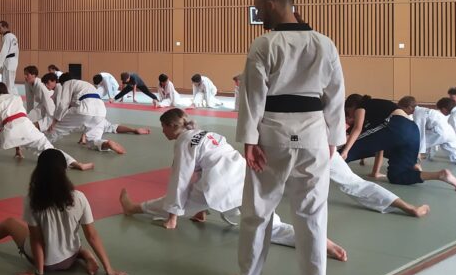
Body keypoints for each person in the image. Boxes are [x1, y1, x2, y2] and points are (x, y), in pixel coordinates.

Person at [119, 109, 348, 263]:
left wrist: (173, 218)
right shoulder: (206, 133)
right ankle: (320, 243)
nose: (164, 132)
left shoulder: (184, 141)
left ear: (171, 126)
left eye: (164, 128)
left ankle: (132, 208)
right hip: (242, 176)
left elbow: (180, 178)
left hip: (218, 183)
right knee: (271, 224)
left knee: (175, 199)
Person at [234, 0, 345, 275]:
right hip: (313, 135)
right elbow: (335, 97)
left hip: (272, 135)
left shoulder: (264, 44)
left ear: (271, 5)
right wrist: (333, 139)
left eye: (259, 9)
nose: (258, 15)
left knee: (257, 210)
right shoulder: (325, 44)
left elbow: (252, 98)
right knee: (312, 213)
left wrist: (249, 141)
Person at [0, 150, 127, 275]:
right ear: (65, 170)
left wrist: (39, 272)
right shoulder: (79, 197)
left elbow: (36, 240)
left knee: (10, 223)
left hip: (47, 263)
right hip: (69, 258)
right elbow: (92, 236)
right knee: (66, 237)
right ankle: (86, 255)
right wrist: (109, 268)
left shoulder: (33, 200)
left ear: (38, 171)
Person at [0, 83, 93, 169]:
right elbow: (18, 122)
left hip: (10, 133)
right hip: (28, 129)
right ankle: (75, 163)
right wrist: (18, 150)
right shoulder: (16, 97)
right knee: (50, 149)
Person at [342, 94, 456, 189]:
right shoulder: (377, 116)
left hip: (397, 126)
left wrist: (345, 151)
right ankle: (440, 175)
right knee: (397, 176)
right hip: (412, 132)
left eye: (348, 112)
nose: (349, 116)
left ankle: (330, 164)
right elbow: (378, 146)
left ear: (353, 106)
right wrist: (375, 172)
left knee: (347, 151)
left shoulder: (362, 105)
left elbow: (357, 130)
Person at [44, 74, 149, 154]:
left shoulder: (68, 83)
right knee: (93, 141)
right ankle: (106, 143)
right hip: (101, 112)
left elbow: (63, 104)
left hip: (85, 110)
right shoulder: (86, 85)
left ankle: (41, 143)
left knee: (56, 129)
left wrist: (55, 121)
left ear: (63, 82)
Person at [398, 96, 456, 167]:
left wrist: (419, 153)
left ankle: (412, 163)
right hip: (449, 133)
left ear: (409, 107)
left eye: (402, 109)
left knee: (413, 143)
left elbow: (419, 134)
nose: (403, 112)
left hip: (439, 133)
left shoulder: (418, 113)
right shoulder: (425, 110)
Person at [24, 66, 54, 130]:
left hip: (52, 102)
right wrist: (29, 112)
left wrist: (52, 120)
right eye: (25, 74)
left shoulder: (41, 85)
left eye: (27, 74)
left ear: (34, 75)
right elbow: (29, 100)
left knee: (48, 121)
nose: (25, 76)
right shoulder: (27, 83)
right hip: (42, 103)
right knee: (29, 117)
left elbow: (49, 103)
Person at [0, 20, 20, 95]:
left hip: (9, 62)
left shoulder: (7, 37)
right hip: (12, 62)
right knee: (10, 83)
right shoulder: (13, 36)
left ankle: (12, 99)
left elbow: (4, 51)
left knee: (8, 84)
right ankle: (12, 98)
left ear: (5, 27)